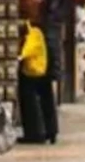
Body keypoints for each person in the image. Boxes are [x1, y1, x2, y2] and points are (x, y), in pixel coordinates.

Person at [17, 11, 59, 144]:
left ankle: (35, 133)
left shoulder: (34, 31)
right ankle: (50, 131)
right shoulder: (49, 27)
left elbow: (29, 48)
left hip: (34, 71)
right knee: (47, 100)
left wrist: (19, 56)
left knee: (30, 101)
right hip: (47, 68)